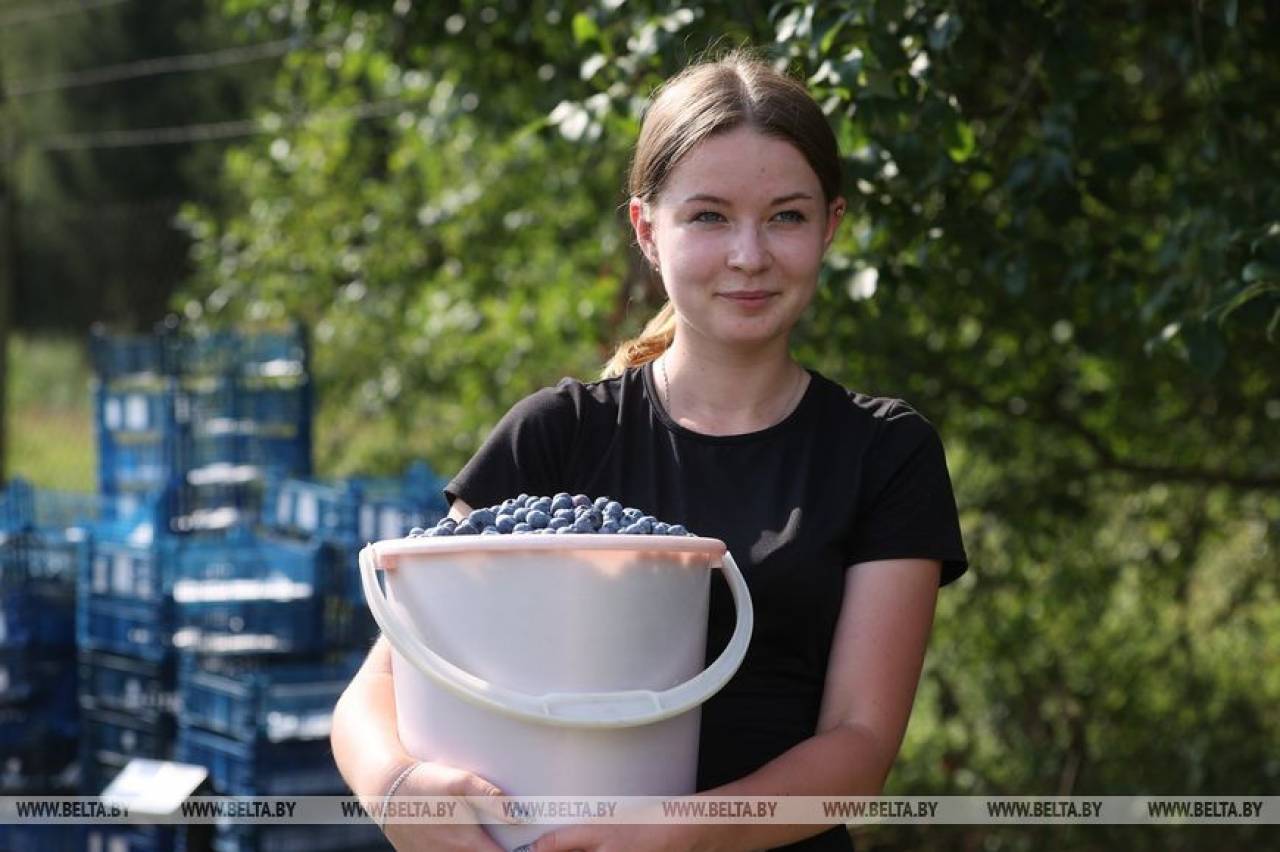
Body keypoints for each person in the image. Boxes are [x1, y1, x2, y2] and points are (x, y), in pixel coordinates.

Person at [331, 49, 968, 852]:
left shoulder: (886, 453)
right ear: (646, 228)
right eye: (708, 215)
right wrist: (399, 791)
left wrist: (681, 829)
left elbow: (859, 744)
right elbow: (378, 688)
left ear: (831, 226)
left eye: (787, 216)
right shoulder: (554, 436)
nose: (749, 254)